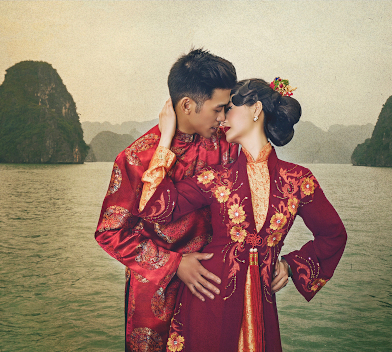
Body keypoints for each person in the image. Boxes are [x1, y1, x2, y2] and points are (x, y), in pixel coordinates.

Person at [136, 78, 347, 351]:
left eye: (230, 108)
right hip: (206, 302)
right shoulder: (215, 179)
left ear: (255, 109)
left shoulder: (298, 181)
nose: (222, 118)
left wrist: (291, 266)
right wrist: (165, 139)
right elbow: (153, 207)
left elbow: (334, 234)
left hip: (261, 308)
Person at [94, 48, 243, 352]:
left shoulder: (227, 145)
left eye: (226, 108)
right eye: (217, 109)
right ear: (187, 105)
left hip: (211, 285)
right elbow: (109, 233)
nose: (223, 117)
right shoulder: (137, 157)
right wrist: (174, 264)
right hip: (155, 293)